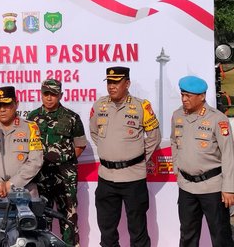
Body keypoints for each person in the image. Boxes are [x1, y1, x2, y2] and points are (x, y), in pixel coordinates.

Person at [89, 67, 161, 247]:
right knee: (107, 231)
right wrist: (110, 151)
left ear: (127, 84)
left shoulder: (141, 106)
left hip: (133, 177)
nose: (111, 86)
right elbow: (94, 132)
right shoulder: (99, 105)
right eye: (109, 82)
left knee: (137, 230)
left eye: (116, 82)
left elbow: (154, 137)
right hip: (106, 177)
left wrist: (134, 156)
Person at [170, 75, 234, 247]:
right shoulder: (177, 116)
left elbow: (229, 154)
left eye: (188, 96)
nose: (184, 99)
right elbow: (174, 142)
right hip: (186, 187)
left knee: (220, 235)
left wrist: (229, 188)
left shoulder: (218, 119)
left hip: (212, 187)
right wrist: (178, 169)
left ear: (202, 96)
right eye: (182, 94)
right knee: (187, 235)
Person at [27, 79, 87, 246]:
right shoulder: (32, 118)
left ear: (60, 95)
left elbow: (80, 144)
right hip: (40, 176)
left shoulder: (71, 117)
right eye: (46, 94)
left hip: (65, 176)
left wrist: (64, 160)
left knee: (69, 218)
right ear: (41, 94)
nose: (49, 98)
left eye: (53, 94)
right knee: (40, 219)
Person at [0, 85, 43, 198]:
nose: (2, 109)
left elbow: (35, 161)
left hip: (25, 191)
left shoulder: (30, 128)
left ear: (16, 104)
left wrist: (11, 184)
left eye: (6, 104)